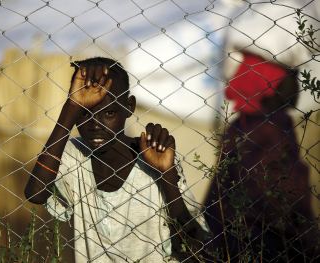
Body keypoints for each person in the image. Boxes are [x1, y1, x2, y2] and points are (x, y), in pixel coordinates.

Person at [24, 57, 212, 263]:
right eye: (84, 113)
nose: (96, 125)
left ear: (129, 106)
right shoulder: (73, 154)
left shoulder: (155, 158)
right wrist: (70, 109)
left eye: (110, 112)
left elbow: (191, 249)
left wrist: (165, 175)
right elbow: (36, 194)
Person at [204, 52, 319, 262]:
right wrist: (308, 239)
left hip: (232, 238)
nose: (296, 84)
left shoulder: (241, 125)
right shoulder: (272, 126)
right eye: (289, 76)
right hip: (269, 242)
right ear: (266, 82)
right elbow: (283, 190)